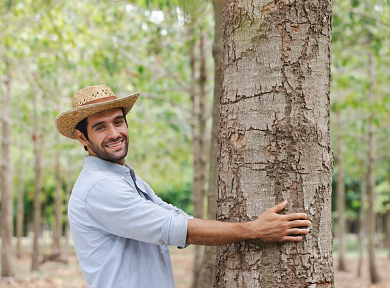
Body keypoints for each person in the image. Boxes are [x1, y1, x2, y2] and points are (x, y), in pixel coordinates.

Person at [54, 84, 311, 288]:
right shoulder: (100, 188)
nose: (114, 133)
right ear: (82, 137)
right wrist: (254, 230)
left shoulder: (124, 177)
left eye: (118, 122)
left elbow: (175, 217)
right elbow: (176, 229)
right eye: (100, 127)